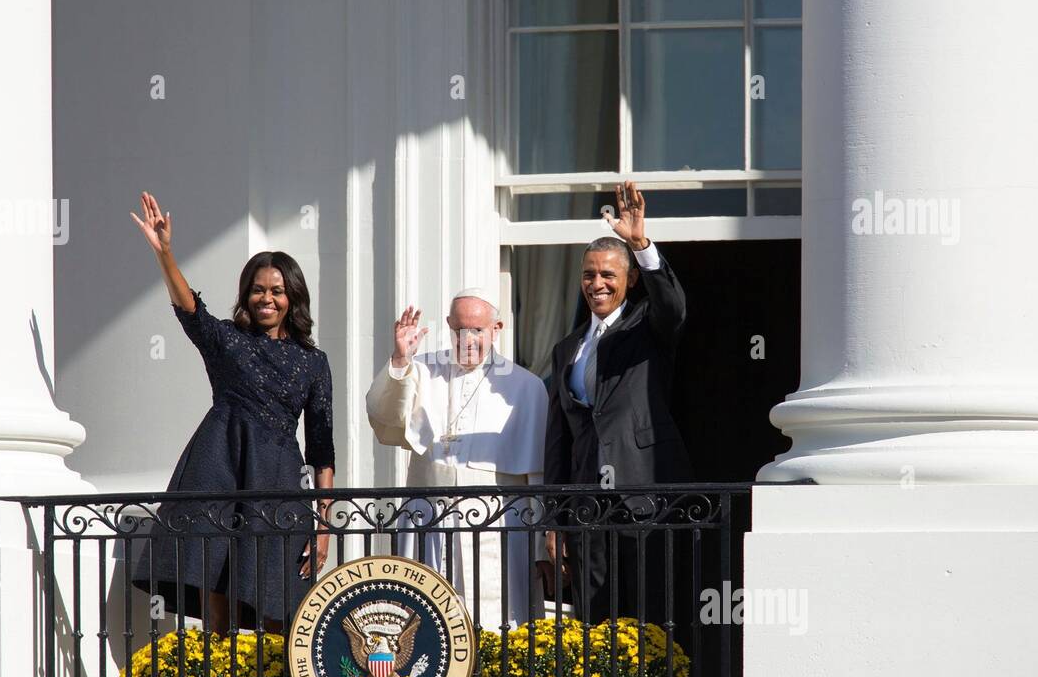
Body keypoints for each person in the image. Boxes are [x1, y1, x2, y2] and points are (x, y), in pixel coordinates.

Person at [127, 191, 335, 635]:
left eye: (277, 291)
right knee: (214, 580)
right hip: (219, 467)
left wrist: (323, 527)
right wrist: (165, 253)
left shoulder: (313, 362)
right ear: (247, 295)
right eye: (258, 290)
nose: (267, 298)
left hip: (278, 480)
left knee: (282, 601)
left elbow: (322, 449)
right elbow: (191, 310)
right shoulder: (228, 341)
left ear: (292, 297)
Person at [543, 181, 692, 625]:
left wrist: (641, 245)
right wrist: (554, 521)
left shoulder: (647, 325)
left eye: (608, 274)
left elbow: (674, 307)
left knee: (649, 610)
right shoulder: (567, 347)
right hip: (587, 503)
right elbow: (560, 441)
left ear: (628, 280)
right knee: (593, 616)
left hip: (643, 494)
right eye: (589, 274)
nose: (597, 283)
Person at [365, 288, 549, 629]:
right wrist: (400, 359)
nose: (467, 339)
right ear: (449, 325)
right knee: (426, 626)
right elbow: (383, 418)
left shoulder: (527, 387)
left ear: (497, 328)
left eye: (477, 330)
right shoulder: (421, 371)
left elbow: (536, 478)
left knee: (497, 622)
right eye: (459, 329)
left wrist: (540, 548)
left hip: (497, 528)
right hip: (429, 522)